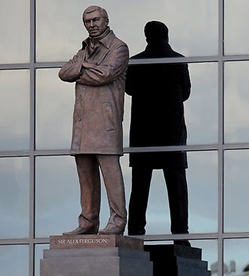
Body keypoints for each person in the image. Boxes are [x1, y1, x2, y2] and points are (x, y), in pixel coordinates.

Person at [59, 6, 129, 235]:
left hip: (105, 123)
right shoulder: (84, 49)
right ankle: (88, 221)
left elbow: (104, 74)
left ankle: (118, 220)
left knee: (111, 174)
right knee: (86, 176)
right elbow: (64, 73)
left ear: (106, 20)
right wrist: (84, 65)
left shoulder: (118, 47)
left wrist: (81, 71)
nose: (92, 25)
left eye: (95, 20)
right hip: (82, 123)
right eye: (87, 21)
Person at [125, 21, 191, 245]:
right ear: (167, 35)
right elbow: (186, 93)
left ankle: (135, 233)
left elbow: (130, 89)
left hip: (144, 133)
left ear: (146, 37)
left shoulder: (135, 62)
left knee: (140, 187)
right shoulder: (178, 60)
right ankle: (181, 235)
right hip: (171, 132)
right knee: (177, 187)